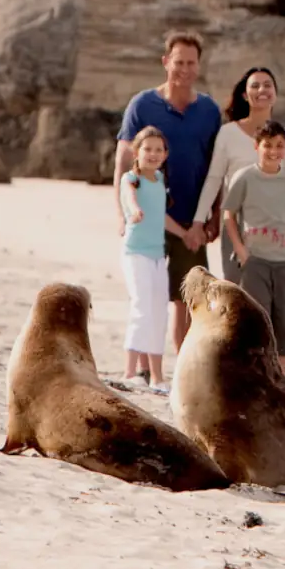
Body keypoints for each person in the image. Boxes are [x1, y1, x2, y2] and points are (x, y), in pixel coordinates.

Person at [114, 31, 223, 354]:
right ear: (166, 62)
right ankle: (144, 368)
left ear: (199, 66)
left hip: (191, 221)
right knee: (148, 297)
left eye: (191, 63)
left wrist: (214, 215)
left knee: (188, 300)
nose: (184, 69)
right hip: (147, 219)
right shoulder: (142, 104)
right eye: (179, 62)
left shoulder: (209, 111)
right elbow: (122, 164)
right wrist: (122, 214)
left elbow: (216, 170)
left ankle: (183, 366)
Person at [222, 119, 285, 378]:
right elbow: (229, 214)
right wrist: (240, 249)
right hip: (254, 261)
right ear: (256, 147)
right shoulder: (245, 177)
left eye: (279, 146)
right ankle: (256, 379)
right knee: (256, 322)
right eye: (267, 145)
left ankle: (282, 382)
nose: (273, 151)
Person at [194, 66, 285, 286]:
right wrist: (198, 221)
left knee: (267, 294)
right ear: (245, 95)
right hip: (234, 225)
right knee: (235, 291)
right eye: (255, 86)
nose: (262, 90)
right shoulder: (228, 133)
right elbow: (214, 179)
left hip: (271, 227)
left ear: (275, 94)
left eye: (267, 85)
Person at [117, 126, 177, 393]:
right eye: (147, 149)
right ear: (136, 152)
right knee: (141, 308)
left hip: (157, 256)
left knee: (159, 312)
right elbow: (130, 199)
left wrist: (186, 233)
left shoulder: (160, 179)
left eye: (158, 150)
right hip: (135, 253)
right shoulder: (131, 179)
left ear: (165, 154)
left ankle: (157, 377)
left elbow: (161, 216)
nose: (153, 154)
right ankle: (130, 373)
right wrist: (134, 211)